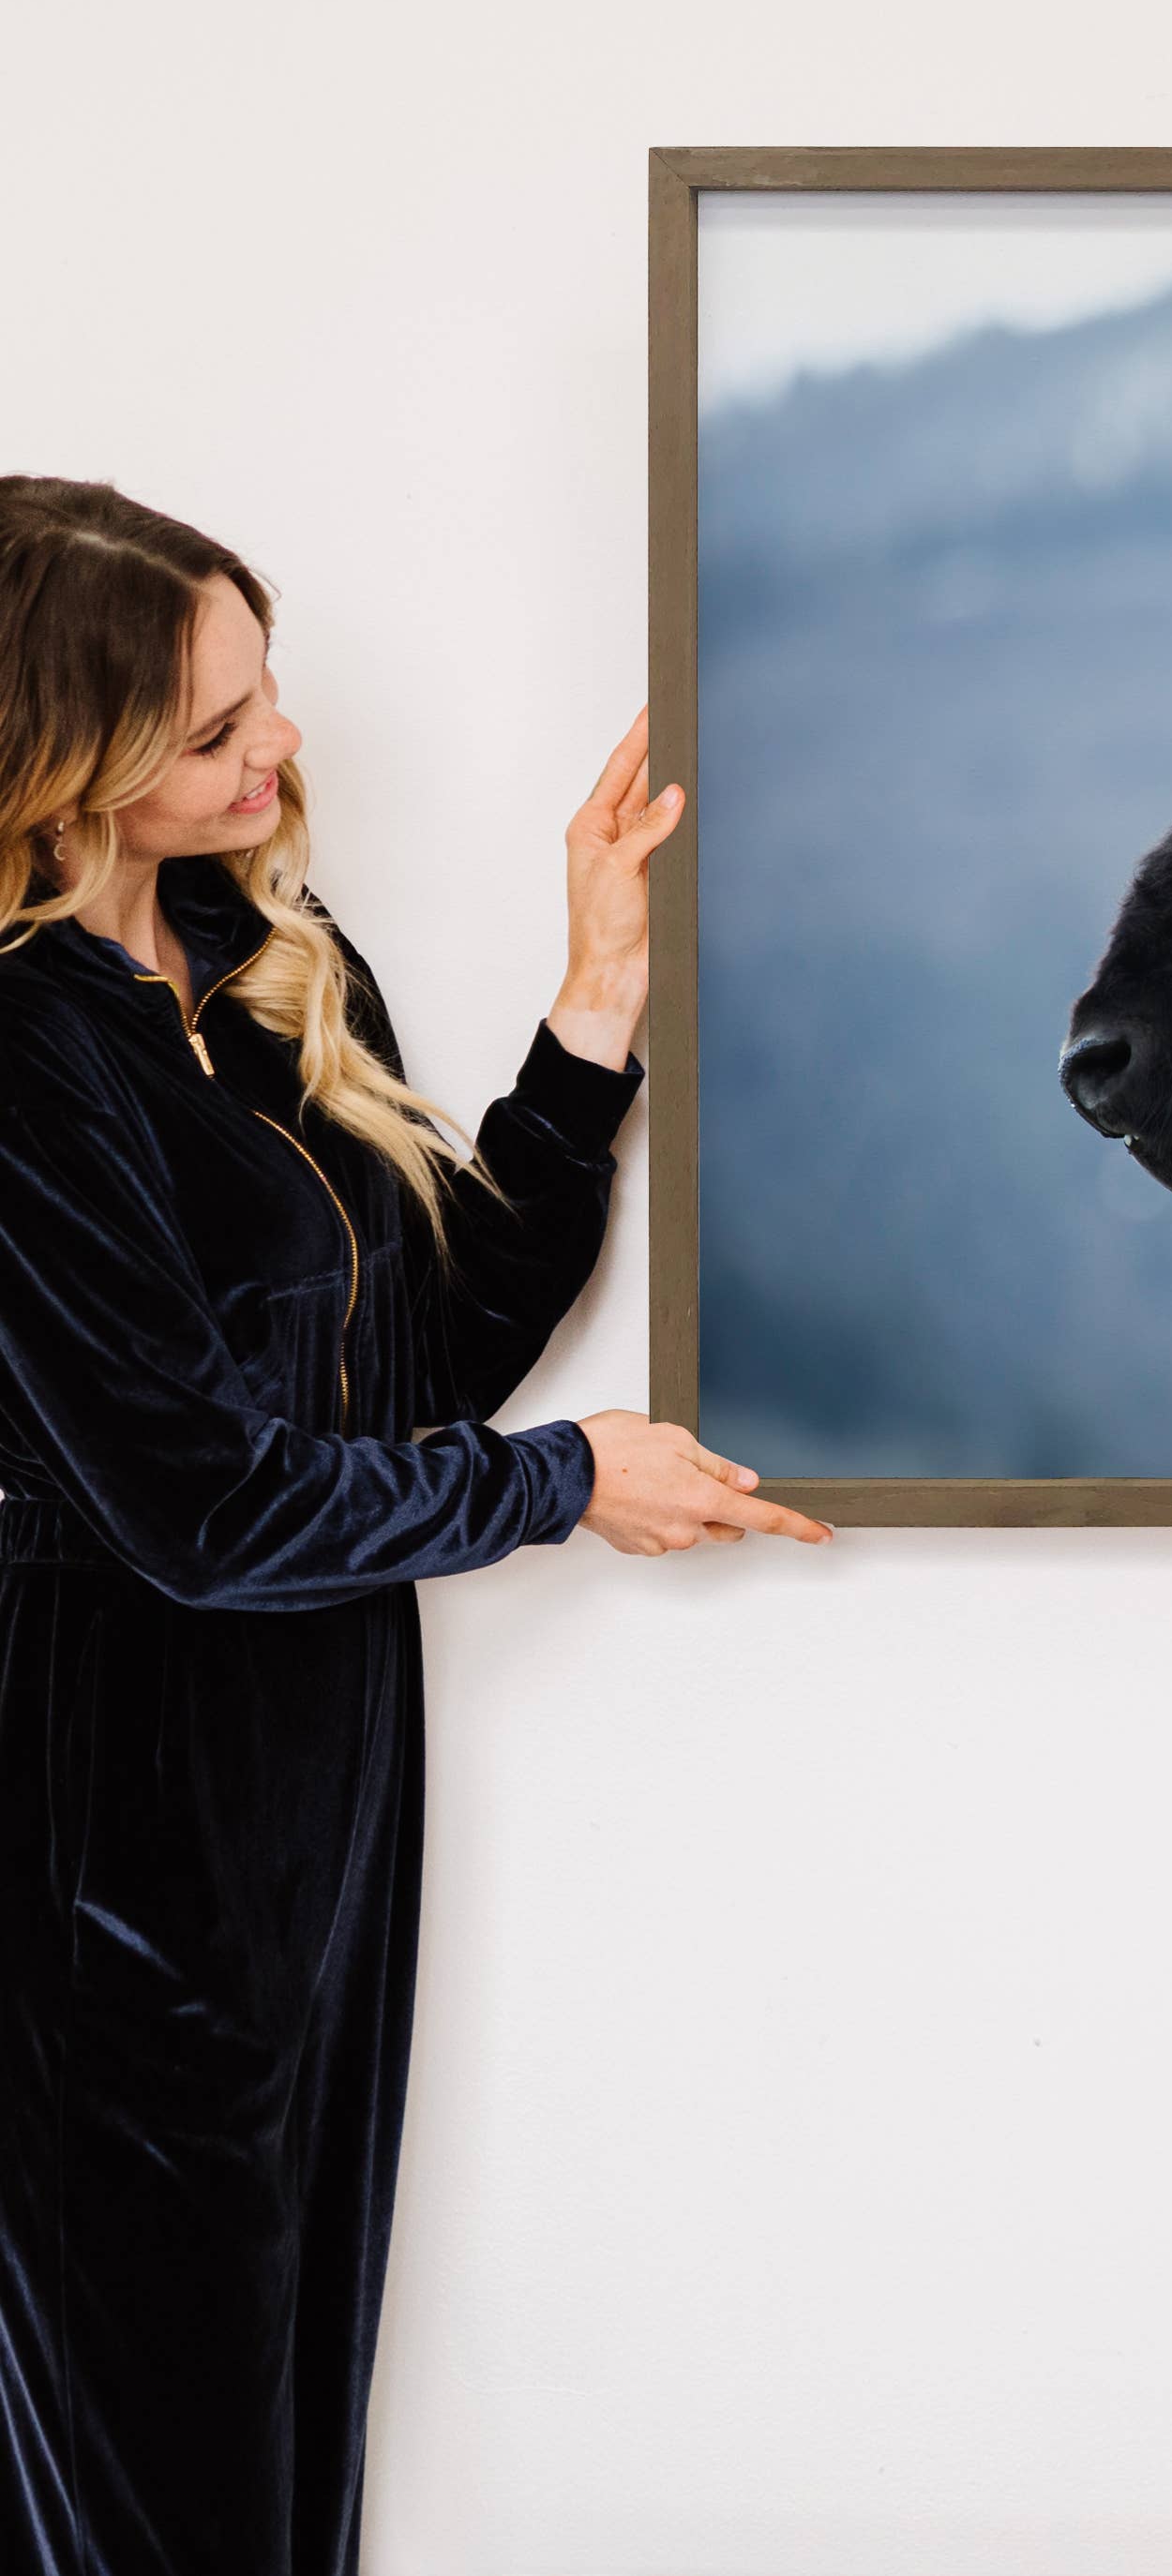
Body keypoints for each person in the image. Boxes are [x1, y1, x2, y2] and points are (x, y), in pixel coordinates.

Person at [0, 477, 830, 2576]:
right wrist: (567, 1486)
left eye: (266, 693)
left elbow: (425, 1351)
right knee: (151, 2482)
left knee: (277, 2450)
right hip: (94, 1838)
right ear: (58, 760)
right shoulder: (19, 1059)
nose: (279, 752)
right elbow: (196, 1507)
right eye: (216, 731)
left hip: (310, 1807)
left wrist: (598, 1000)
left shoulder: (260, 954)